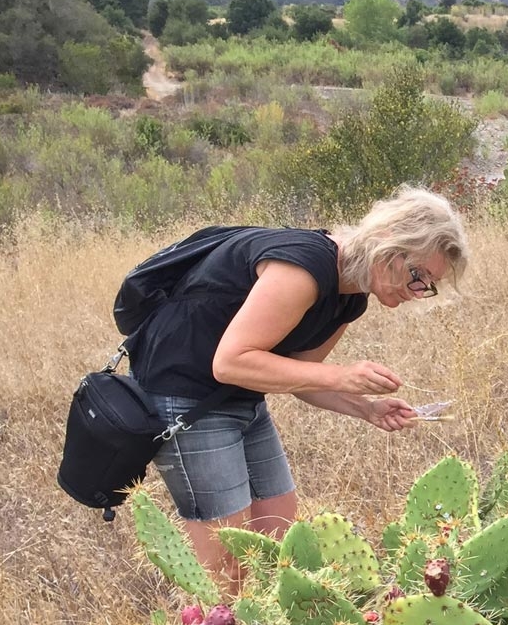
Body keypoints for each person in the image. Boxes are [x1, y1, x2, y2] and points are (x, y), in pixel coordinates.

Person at [124, 186, 468, 582]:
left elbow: (301, 376)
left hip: (242, 398)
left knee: (281, 545)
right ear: (390, 245)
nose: (419, 291)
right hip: (186, 400)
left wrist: (368, 409)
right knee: (228, 567)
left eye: (429, 283)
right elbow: (231, 361)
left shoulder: (351, 295)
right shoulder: (304, 268)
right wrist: (341, 375)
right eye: (417, 275)